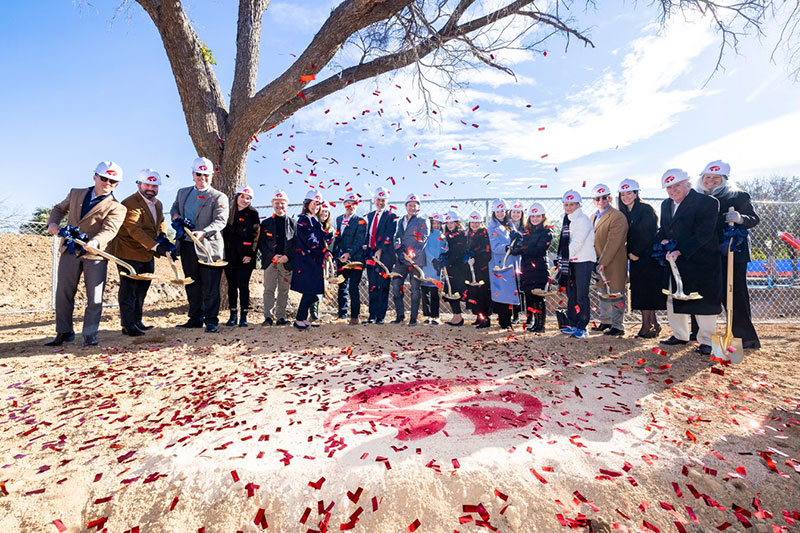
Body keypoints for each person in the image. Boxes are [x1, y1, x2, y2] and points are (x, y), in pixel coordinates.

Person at [45, 161, 128, 347]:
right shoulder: (76, 193)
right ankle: (64, 332)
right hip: (70, 250)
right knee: (64, 293)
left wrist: (96, 241)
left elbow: (110, 230)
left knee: (95, 297)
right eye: (104, 178)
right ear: (95, 177)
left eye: (113, 181)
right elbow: (58, 209)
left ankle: (90, 334)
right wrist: (52, 223)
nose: (108, 183)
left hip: (95, 255)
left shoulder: (117, 207)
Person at [655, 169, 722, 356]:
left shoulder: (707, 202)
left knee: (703, 300)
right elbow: (665, 229)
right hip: (675, 262)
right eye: (669, 187)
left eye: (677, 186)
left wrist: (680, 249)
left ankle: (707, 340)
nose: (672, 190)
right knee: (674, 297)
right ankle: (680, 334)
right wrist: (660, 241)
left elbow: (704, 233)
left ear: (688, 184)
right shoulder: (666, 204)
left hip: (700, 260)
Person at [696, 160, 761, 349]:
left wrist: (740, 218)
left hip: (733, 253)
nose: (711, 181)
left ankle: (745, 337)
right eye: (707, 177)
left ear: (724, 179)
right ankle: (701, 334)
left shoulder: (737, 196)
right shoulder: (699, 198)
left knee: (735, 295)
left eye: (716, 177)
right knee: (707, 294)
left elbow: (753, 218)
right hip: (709, 254)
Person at [170, 157, 229, 333]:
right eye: (198, 174)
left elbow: (220, 220)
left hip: (208, 248)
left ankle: (211, 320)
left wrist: (204, 232)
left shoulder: (219, 197)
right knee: (192, 283)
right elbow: (174, 208)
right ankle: (195, 318)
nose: (202, 177)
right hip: (187, 246)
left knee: (210, 286)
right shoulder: (182, 193)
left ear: (211, 176)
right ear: (193, 174)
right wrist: (174, 216)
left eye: (206, 175)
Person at [112, 169, 169, 337]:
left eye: (154, 185)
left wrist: (163, 235)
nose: (151, 188)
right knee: (129, 290)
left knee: (142, 289)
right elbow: (134, 229)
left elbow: (161, 221)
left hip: (146, 253)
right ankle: (128, 325)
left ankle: (137, 321)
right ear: (139, 184)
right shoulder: (130, 203)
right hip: (128, 252)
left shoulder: (157, 204)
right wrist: (156, 246)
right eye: (148, 184)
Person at [617, 178, 666, 338]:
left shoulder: (645, 209)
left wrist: (636, 252)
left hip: (647, 257)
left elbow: (648, 233)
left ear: (636, 193)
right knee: (642, 291)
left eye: (629, 193)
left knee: (646, 292)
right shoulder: (624, 213)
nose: (626, 197)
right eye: (623, 194)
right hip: (636, 258)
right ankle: (654, 324)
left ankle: (646, 326)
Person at [590, 183, 629, 337]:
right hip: (599, 260)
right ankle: (605, 321)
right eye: (598, 198)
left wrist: (603, 262)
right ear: (593, 200)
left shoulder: (617, 216)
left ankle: (618, 325)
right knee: (602, 292)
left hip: (613, 262)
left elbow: (614, 242)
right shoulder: (593, 217)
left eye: (604, 197)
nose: (601, 201)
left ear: (610, 198)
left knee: (616, 293)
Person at [558, 190, 596, 339]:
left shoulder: (583, 220)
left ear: (578, 204)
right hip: (571, 261)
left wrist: (564, 257)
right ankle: (572, 323)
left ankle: (582, 326)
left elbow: (577, 242)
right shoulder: (566, 219)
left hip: (583, 261)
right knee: (571, 294)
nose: (568, 207)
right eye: (566, 204)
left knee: (581, 294)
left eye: (571, 204)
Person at [291, 191, 331, 330]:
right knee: (309, 290)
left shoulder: (314, 220)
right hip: (307, 260)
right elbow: (311, 240)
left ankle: (303, 318)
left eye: (318, 204)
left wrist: (326, 247)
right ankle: (299, 319)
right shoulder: (304, 220)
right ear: (307, 203)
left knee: (313, 290)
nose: (316, 207)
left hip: (314, 259)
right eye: (314, 203)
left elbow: (320, 239)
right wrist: (323, 250)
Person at [512, 202, 553, 332]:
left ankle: (541, 324)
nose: (535, 219)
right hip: (527, 269)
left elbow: (540, 250)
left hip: (539, 269)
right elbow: (523, 246)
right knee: (530, 296)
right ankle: (535, 323)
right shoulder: (527, 232)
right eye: (533, 216)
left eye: (538, 216)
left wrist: (522, 249)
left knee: (539, 297)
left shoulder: (547, 232)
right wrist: (515, 247)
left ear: (543, 217)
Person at [223, 185, 260, 327]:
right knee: (231, 286)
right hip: (229, 256)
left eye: (248, 198)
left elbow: (255, 235)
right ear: (237, 196)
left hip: (245, 257)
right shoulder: (228, 212)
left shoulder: (253, 214)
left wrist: (250, 254)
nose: (245, 200)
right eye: (243, 197)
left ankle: (244, 316)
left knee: (243, 286)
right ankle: (233, 315)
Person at [259, 190, 296, 326]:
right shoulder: (266, 223)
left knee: (283, 290)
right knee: (268, 289)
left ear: (286, 205)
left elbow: (296, 244)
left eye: (282, 203)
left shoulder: (293, 224)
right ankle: (268, 317)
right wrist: (272, 256)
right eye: (277, 203)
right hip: (271, 262)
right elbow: (261, 243)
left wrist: (287, 256)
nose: (279, 206)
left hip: (286, 263)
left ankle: (280, 317)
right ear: (272, 205)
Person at [391, 193, 429, 326]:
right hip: (401, 260)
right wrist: (398, 247)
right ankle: (400, 315)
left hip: (416, 261)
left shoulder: (422, 221)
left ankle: (413, 317)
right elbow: (398, 236)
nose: (412, 207)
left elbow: (423, 239)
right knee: (396, 286)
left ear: (418, 208)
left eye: (415, 205)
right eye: (410, 205)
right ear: (406, 206)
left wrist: (413, 254)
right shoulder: (401, 221)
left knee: (415, 289)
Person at [333, 192, 367, 325]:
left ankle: (355, 316)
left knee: (353, 287)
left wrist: (349, 253)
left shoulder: (361, 221)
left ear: (357, 205)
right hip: (342, 259)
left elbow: (359, 241)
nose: (350, 206)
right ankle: (342, 314)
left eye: (353, 204)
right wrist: (336, 253)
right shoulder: (339, 219)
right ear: (344, 204)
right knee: (342, 285)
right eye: (348, 203)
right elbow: (338, 238)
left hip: (356, 259)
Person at [364, 187, 397, 324]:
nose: (380, 203)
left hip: (384, 257)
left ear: (386, 201)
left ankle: (380, 316)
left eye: (383, 200)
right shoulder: (370, 216)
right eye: (378, 200)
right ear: (374, 200)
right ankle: (372, 315)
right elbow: (367, 234)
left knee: (383, 285)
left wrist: (380, 250)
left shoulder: (391, 216)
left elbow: (389, 235)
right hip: (371, 255)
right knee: (372, 285)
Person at [488, 199, 521, 330]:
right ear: (494, 212)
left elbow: (514, 240)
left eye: (502, 211)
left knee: (510, 292)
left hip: (511, 262)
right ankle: (504, 320)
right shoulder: (491, 227)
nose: (500, 213)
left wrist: (518, 241)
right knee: (502, 293)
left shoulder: (510, 224)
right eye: (498, 211)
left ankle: (509, 319)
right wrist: (508, 247)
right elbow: (494, 246)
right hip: (500, 263)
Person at [309, 200, 334, 325]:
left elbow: (332, 245)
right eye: (322, 211)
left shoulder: (330, 229)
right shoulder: (313, 224)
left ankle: (315, 312)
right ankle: (313, 313)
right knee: (312, 286)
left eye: (326, 211)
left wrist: (329, 252)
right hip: (313, 260)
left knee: (320, 286)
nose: (324, 214)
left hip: (325, 262)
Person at [466, 210, 492, 328]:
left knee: (482, 294)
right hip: (472, 268)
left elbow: (487, 253)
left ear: (481, 223)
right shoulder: (469, 234)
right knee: (474, 293)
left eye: (477, 222)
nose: (475, 225)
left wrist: (475, 258)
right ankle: (478, 316)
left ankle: (485, 318)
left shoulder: (484, 234)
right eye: (473, 222)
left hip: (482, 268)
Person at [442, 210, 469, 327]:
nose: (450, 225)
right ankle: (457, 315)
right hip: (450, 267)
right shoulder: (445, 236)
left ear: (457, 223)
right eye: (448, 223)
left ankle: (479, 315)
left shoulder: (463, 235)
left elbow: (462, 251)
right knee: (450, 291)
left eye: (452, 222)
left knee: (458, 291)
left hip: (460, 268)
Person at [420, 213, 448, 324]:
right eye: (434, 223)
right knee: (425, 291)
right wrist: (433, 260)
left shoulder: (443, 237)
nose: (436, 225)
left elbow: (445, 250)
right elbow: (425, 249)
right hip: (427, 265)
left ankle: (435, 316)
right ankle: (427, 315)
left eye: (438, 223)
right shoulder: (427, 234)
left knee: (435, 292)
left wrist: (442, 259)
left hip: (437, 268)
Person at [508, 200, 525, 324]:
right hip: (509, 259)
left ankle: (519, 313)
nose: (516, 214)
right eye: (514, 212)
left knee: (520, 288)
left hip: (522, 260)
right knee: (510, 286)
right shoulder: (506, 226)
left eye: (518, 212)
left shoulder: (525, 226)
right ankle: (512, 314)